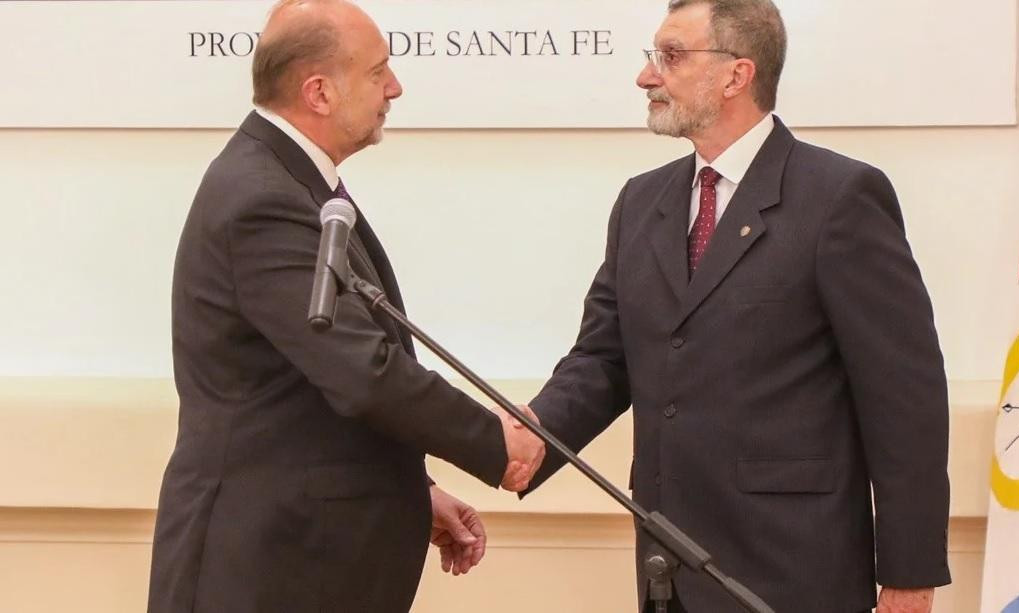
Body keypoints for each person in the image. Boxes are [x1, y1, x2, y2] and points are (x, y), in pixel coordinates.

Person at [520, 1, 950, 611]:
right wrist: (529, 435)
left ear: (735, 75)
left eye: (670, 56)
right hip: (669, 568)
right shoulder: (642, 203)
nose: (647, 76)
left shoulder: (840, 197)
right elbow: (602, 358)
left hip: (796, 573)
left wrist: (909, 576)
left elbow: (906, 400)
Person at [147, 1, 544, 611]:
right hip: (267, 564)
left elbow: (310, 389)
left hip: (301, 551)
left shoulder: (290, 182)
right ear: (320, 92)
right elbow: (361, 371)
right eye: (378, 71)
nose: (395, 87)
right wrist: (495, 441)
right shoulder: (262, 199)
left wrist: (412, 488)